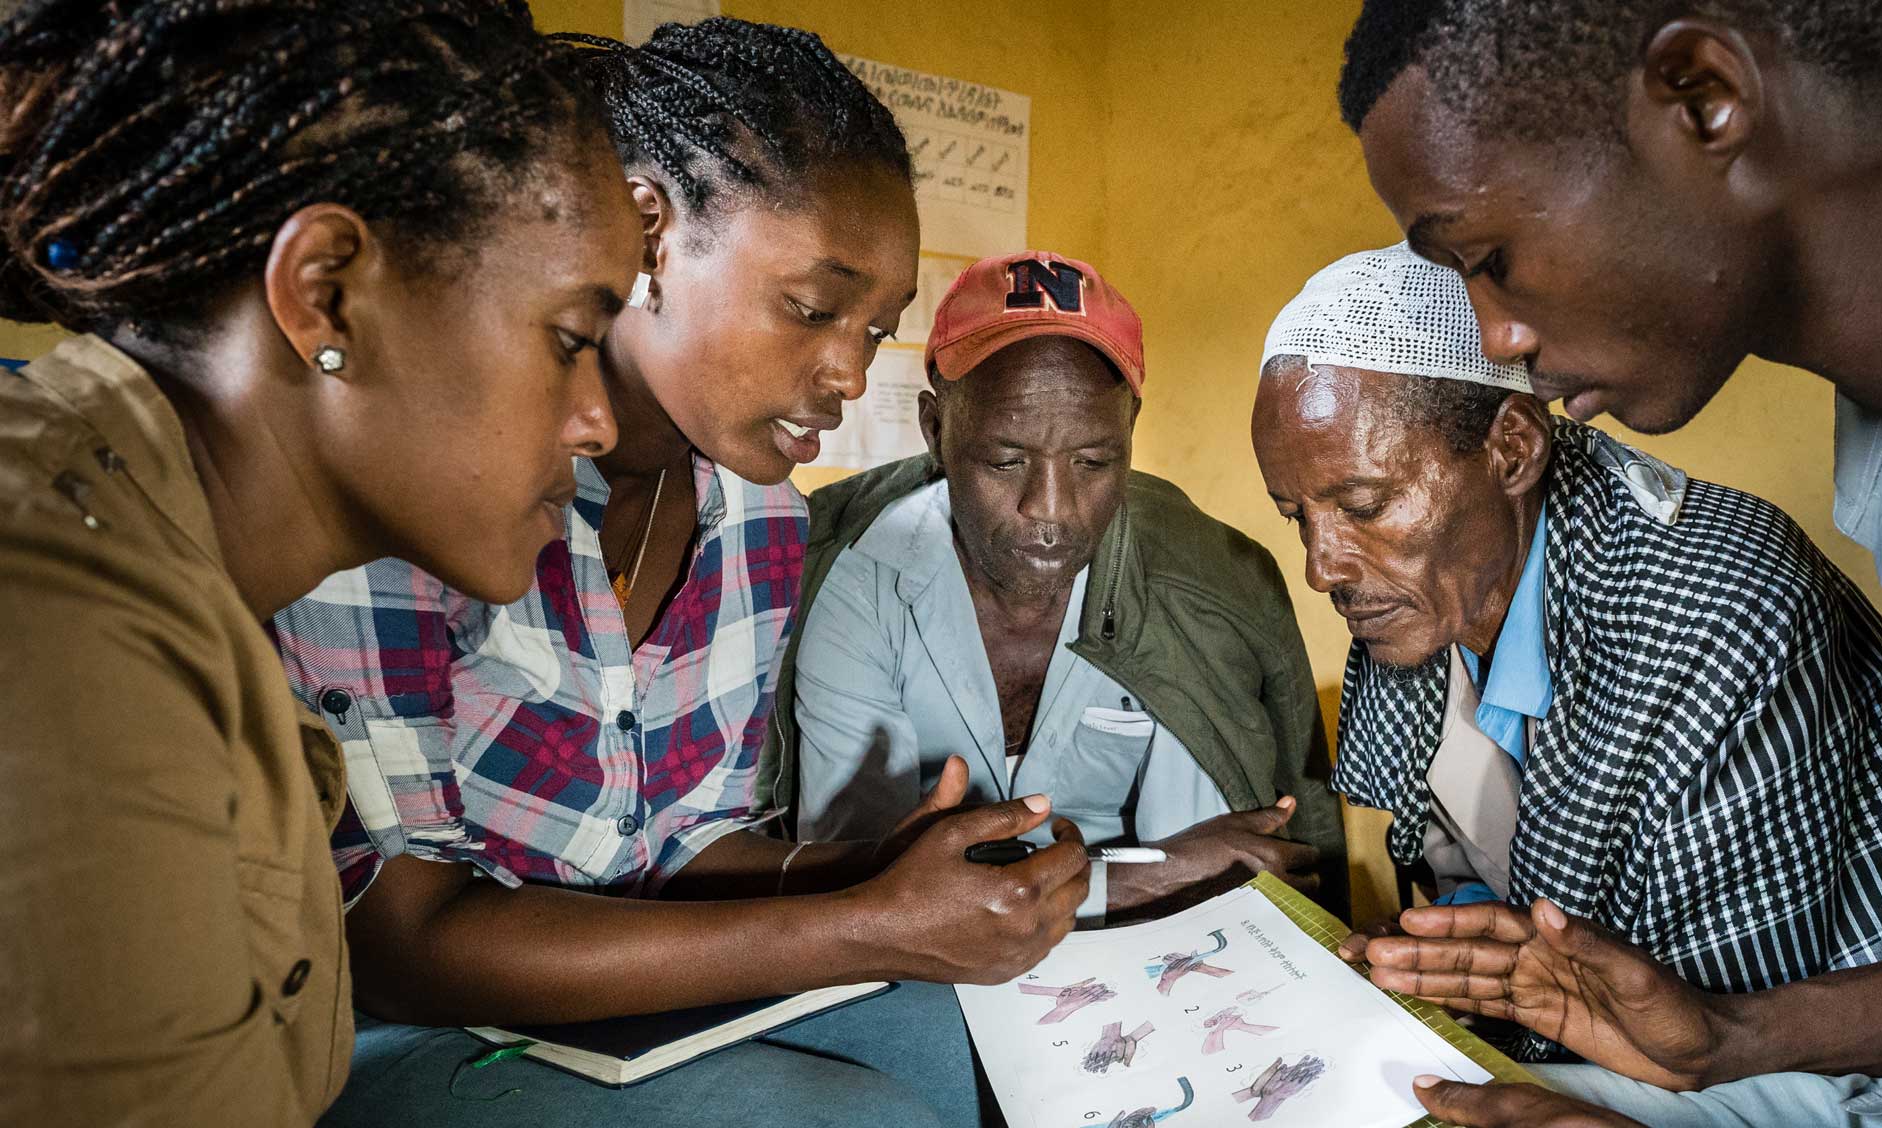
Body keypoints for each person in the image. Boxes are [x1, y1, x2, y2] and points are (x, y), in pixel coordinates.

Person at [269, 21, 1086, 1128]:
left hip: (613, 988)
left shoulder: (757, 523)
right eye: (810, 307)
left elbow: (676, 845)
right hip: (397, 1023)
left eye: (875, 329)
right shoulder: (431, 483)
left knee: (949, 1038)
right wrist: (857, 922)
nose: (848, 370)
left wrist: (867, 878)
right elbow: (399, 939)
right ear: (649, 233)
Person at [1335, 1, 1882, 1125]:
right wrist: (1722, 1043)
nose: (1491, 340)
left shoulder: (1721, 590)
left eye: (1487, 260)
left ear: (1702, 96)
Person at [0, 0, 641, 1123]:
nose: (596, 423)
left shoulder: (177, 571)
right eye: (570, 340)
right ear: (325, 291)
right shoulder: (68, 639)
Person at [1252, 244, 1882, 1066]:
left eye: (1363, 505)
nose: (1323, 569)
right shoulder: (1421, 605)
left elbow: (1724, 1028)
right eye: (1298, 517)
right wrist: (1451, 950)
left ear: (1512, 450)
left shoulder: (1720, 616)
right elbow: (1459, 856)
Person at [768, 250, 1346, 922]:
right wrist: (1134, 876)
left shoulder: (1200, 588)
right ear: (935, 431)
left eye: (1094, 461)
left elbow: (1214, 883)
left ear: (1129, 432)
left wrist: (1166, 875)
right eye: (1006, 459)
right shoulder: (861, 579)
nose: (1051, 508)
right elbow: (865, 886)